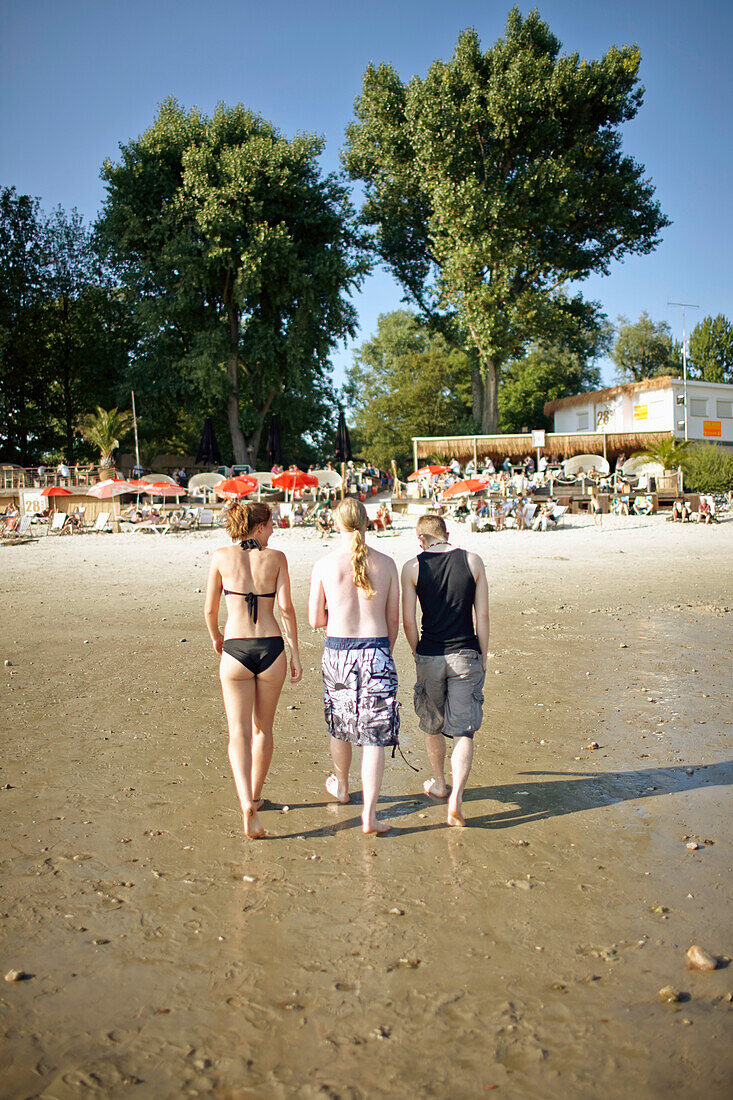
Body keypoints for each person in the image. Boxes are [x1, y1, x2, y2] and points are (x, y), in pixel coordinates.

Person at [205, 501, 301, 839]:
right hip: (271, 649)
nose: (274, 531)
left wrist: (218, 637)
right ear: (259, 527)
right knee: (263, 730)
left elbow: (209, 609)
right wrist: (296, 654)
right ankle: (256, 797)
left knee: (238, 734)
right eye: (271, 525)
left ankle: (245, 800)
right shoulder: (276, 559)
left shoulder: (220, 556)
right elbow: (286, 609)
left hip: (236, 648)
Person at [308, 497, 400, 835]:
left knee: (340, 723)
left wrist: (339, 615)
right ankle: (370, 816)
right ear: (367, 522)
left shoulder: (324, 564)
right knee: (374, 735)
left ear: (336, 524)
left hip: (338, 652)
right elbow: (393, 620)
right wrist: (383, 654)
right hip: (376, 650)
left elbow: (315, 618)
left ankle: (343, 785)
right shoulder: (387, 564)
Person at [401, 514, 489, 827]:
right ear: (446, 534)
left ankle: (439, 782)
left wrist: (416, 651)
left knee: (432, 723)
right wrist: (484, 655)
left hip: (430, 654)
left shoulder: (413, 567)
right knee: (464, 731)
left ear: (420, 539)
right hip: (466, 652)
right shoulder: (473, 560)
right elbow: (483, 618)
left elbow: (409, 621)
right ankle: (457, 799)